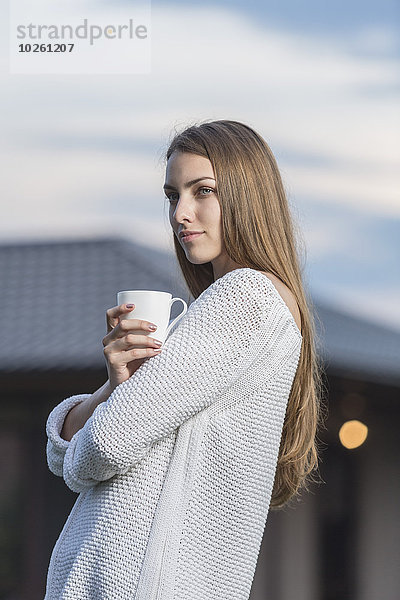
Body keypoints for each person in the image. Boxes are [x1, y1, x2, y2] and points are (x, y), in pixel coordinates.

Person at [44, 119, 325, 599]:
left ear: (247, 194)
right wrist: (117, 387)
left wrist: (96, 438)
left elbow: (100, 449)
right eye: (173, 196)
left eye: (204, 191)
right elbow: (62, 449)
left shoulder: (246, 297)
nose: (182, 213)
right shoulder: (226, 308)